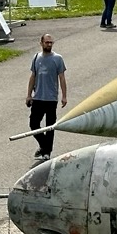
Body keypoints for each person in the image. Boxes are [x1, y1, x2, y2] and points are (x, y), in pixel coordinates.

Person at [25, 33, 67, 161]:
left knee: (50, 126)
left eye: (51, 43)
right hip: (38, 97)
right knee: (33, 124)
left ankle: (47, 152)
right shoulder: (36, 57)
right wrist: (28, 95)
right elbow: (33, 76)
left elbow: (62, 78)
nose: (49, 45)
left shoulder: (58, 58)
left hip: (51, 98)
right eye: (47, 42)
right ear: (41, 43)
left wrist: (64, 96)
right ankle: (44, 146)